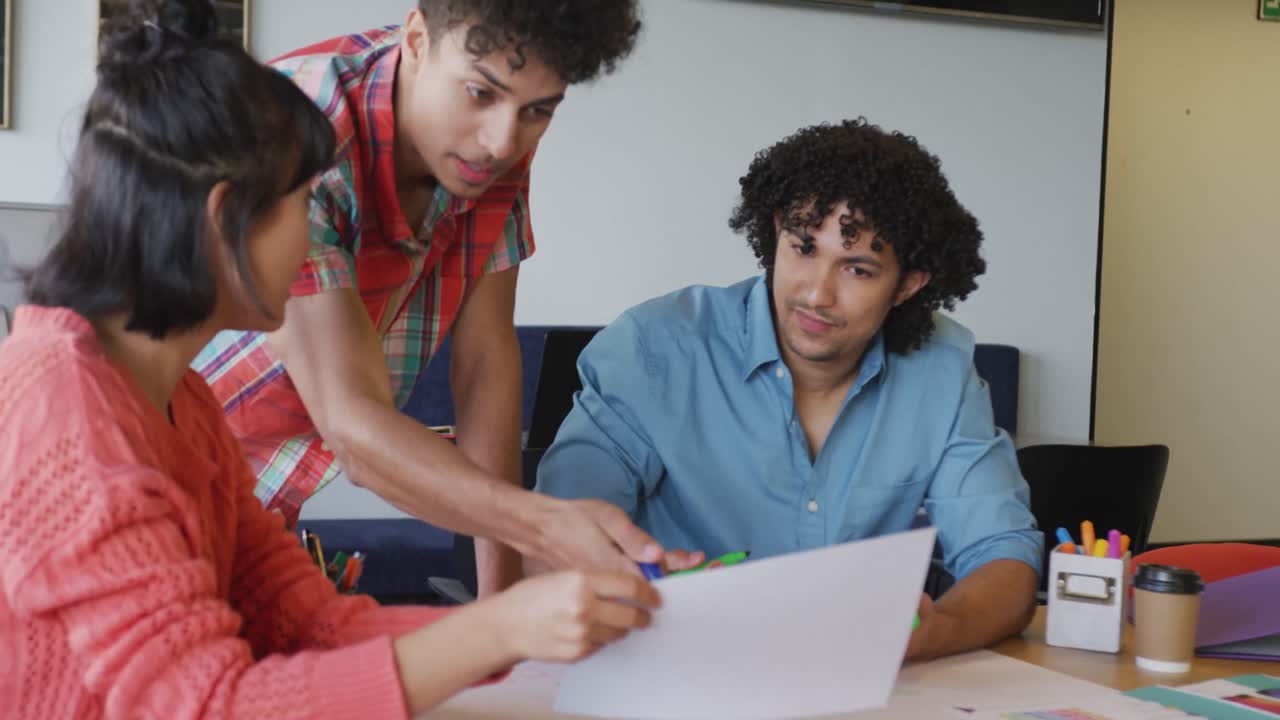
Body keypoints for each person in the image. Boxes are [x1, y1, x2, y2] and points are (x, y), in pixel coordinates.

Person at [0, 2, 659, 716]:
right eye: (305, 203)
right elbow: (211, 705)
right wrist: (509, 617)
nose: (323, 231)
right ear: (227, 221)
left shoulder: (185, 412)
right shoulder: (69, 421)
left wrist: (526, 629)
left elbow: (311, 625)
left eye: (534, 112)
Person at [191, 0, 692, 596]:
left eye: (537, 110)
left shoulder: (491, 142)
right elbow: (354, 428)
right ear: (418, 40)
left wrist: (503, 604)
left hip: (262, 514)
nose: (502, 142)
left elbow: (486, 364)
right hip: (160, 479)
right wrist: (546, 527)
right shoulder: (297, 134)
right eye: (480, 94)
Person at [535, 119, 1045, 661]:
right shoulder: (656, 349)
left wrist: (933, 632)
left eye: (858, 269)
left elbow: (1004, 557)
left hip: (856, 687)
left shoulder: (941, 374)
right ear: (775, 229)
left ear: (909, 283)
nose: (816, 293)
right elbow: (556, 534)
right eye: (803, 248)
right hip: (665, 666)